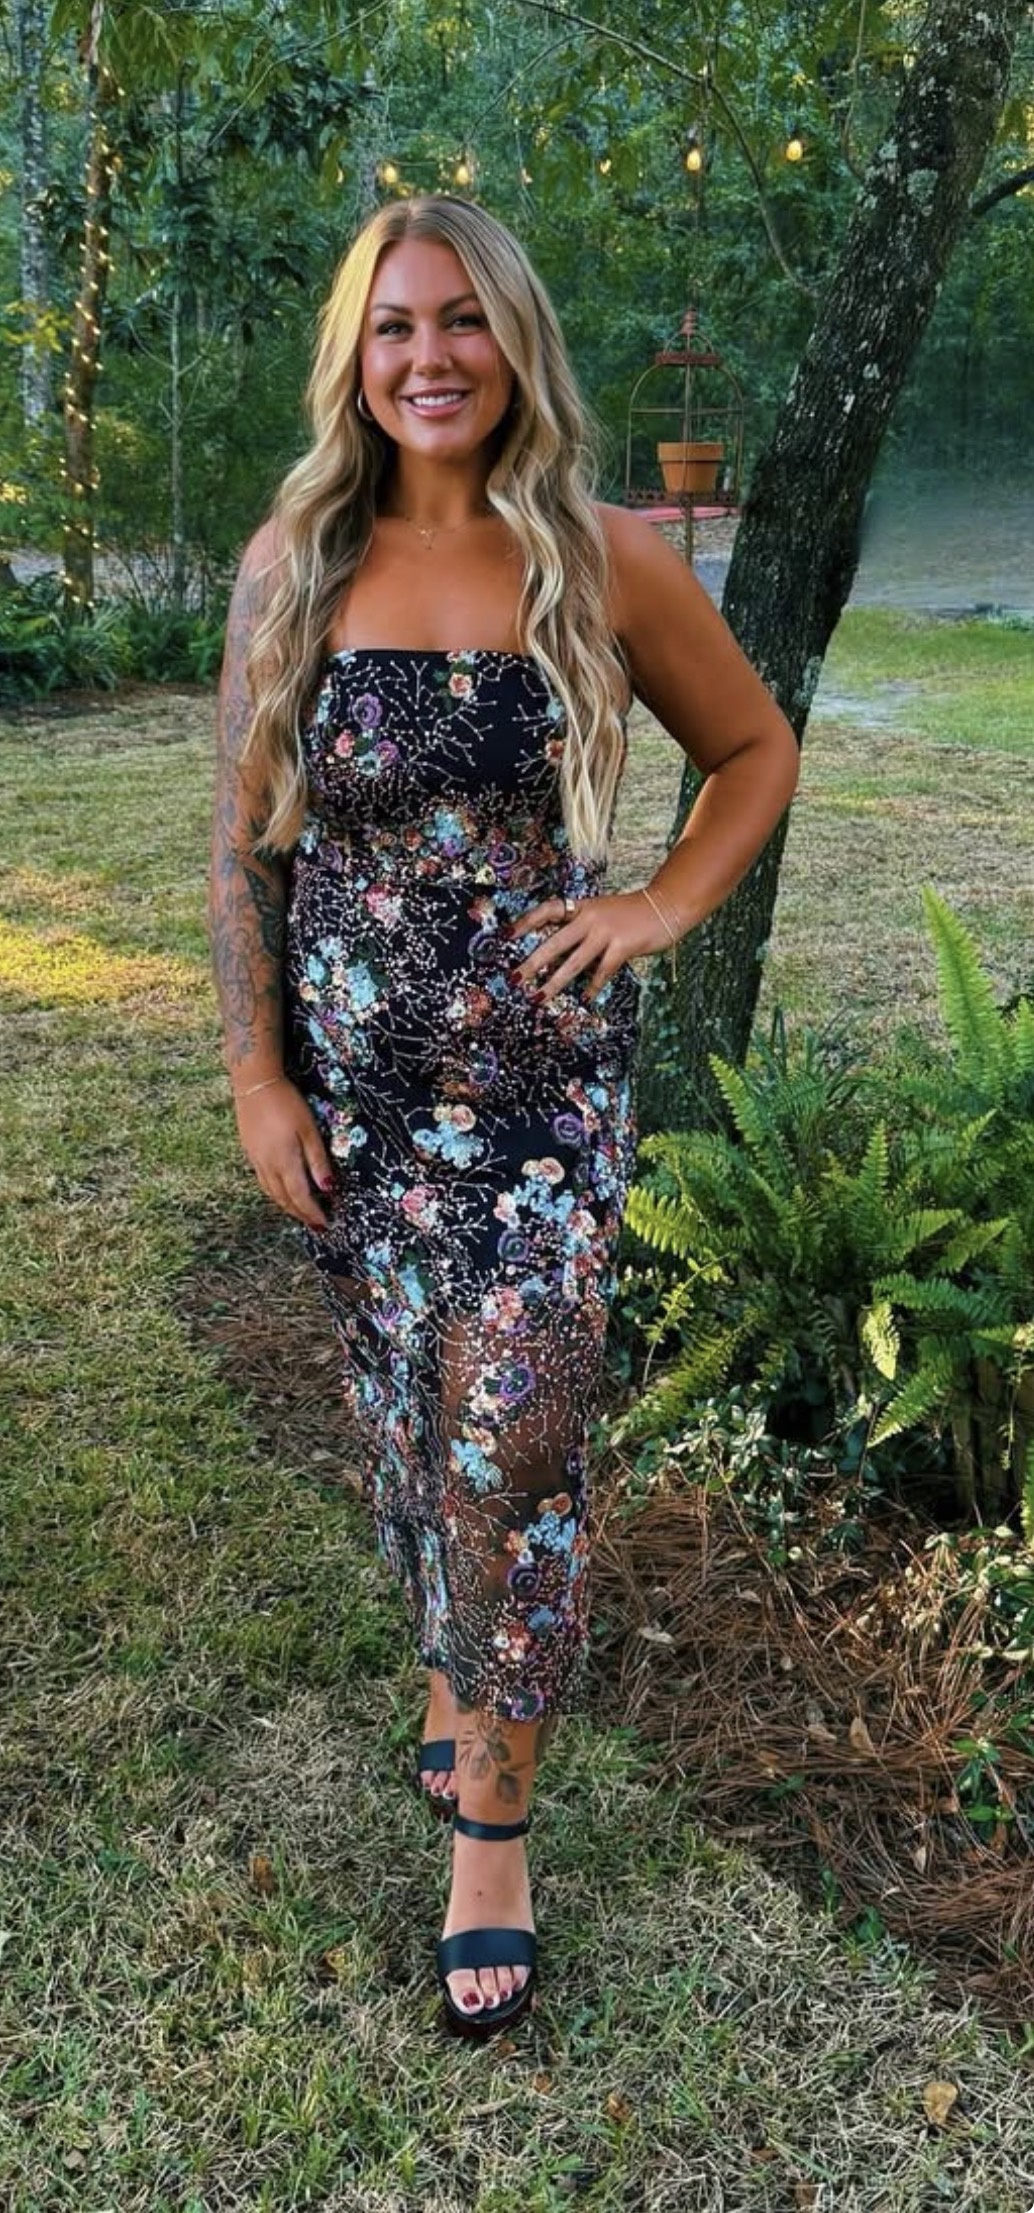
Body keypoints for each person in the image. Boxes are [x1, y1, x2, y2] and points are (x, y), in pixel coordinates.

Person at [207, 193, 799, 2041]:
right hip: (359, 1098)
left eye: (461, 319)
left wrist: (658, 906)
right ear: (354, 357)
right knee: (413, 1419)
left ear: (514, 340)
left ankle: (492, 1830)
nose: (430, 356)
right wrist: (256, 1074)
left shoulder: (600, 558)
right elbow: (243, 847)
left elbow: (753, 749)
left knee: (520, 1431)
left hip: (539, 1094)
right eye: (394, 326)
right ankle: (453, 1672)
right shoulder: (295, 562)